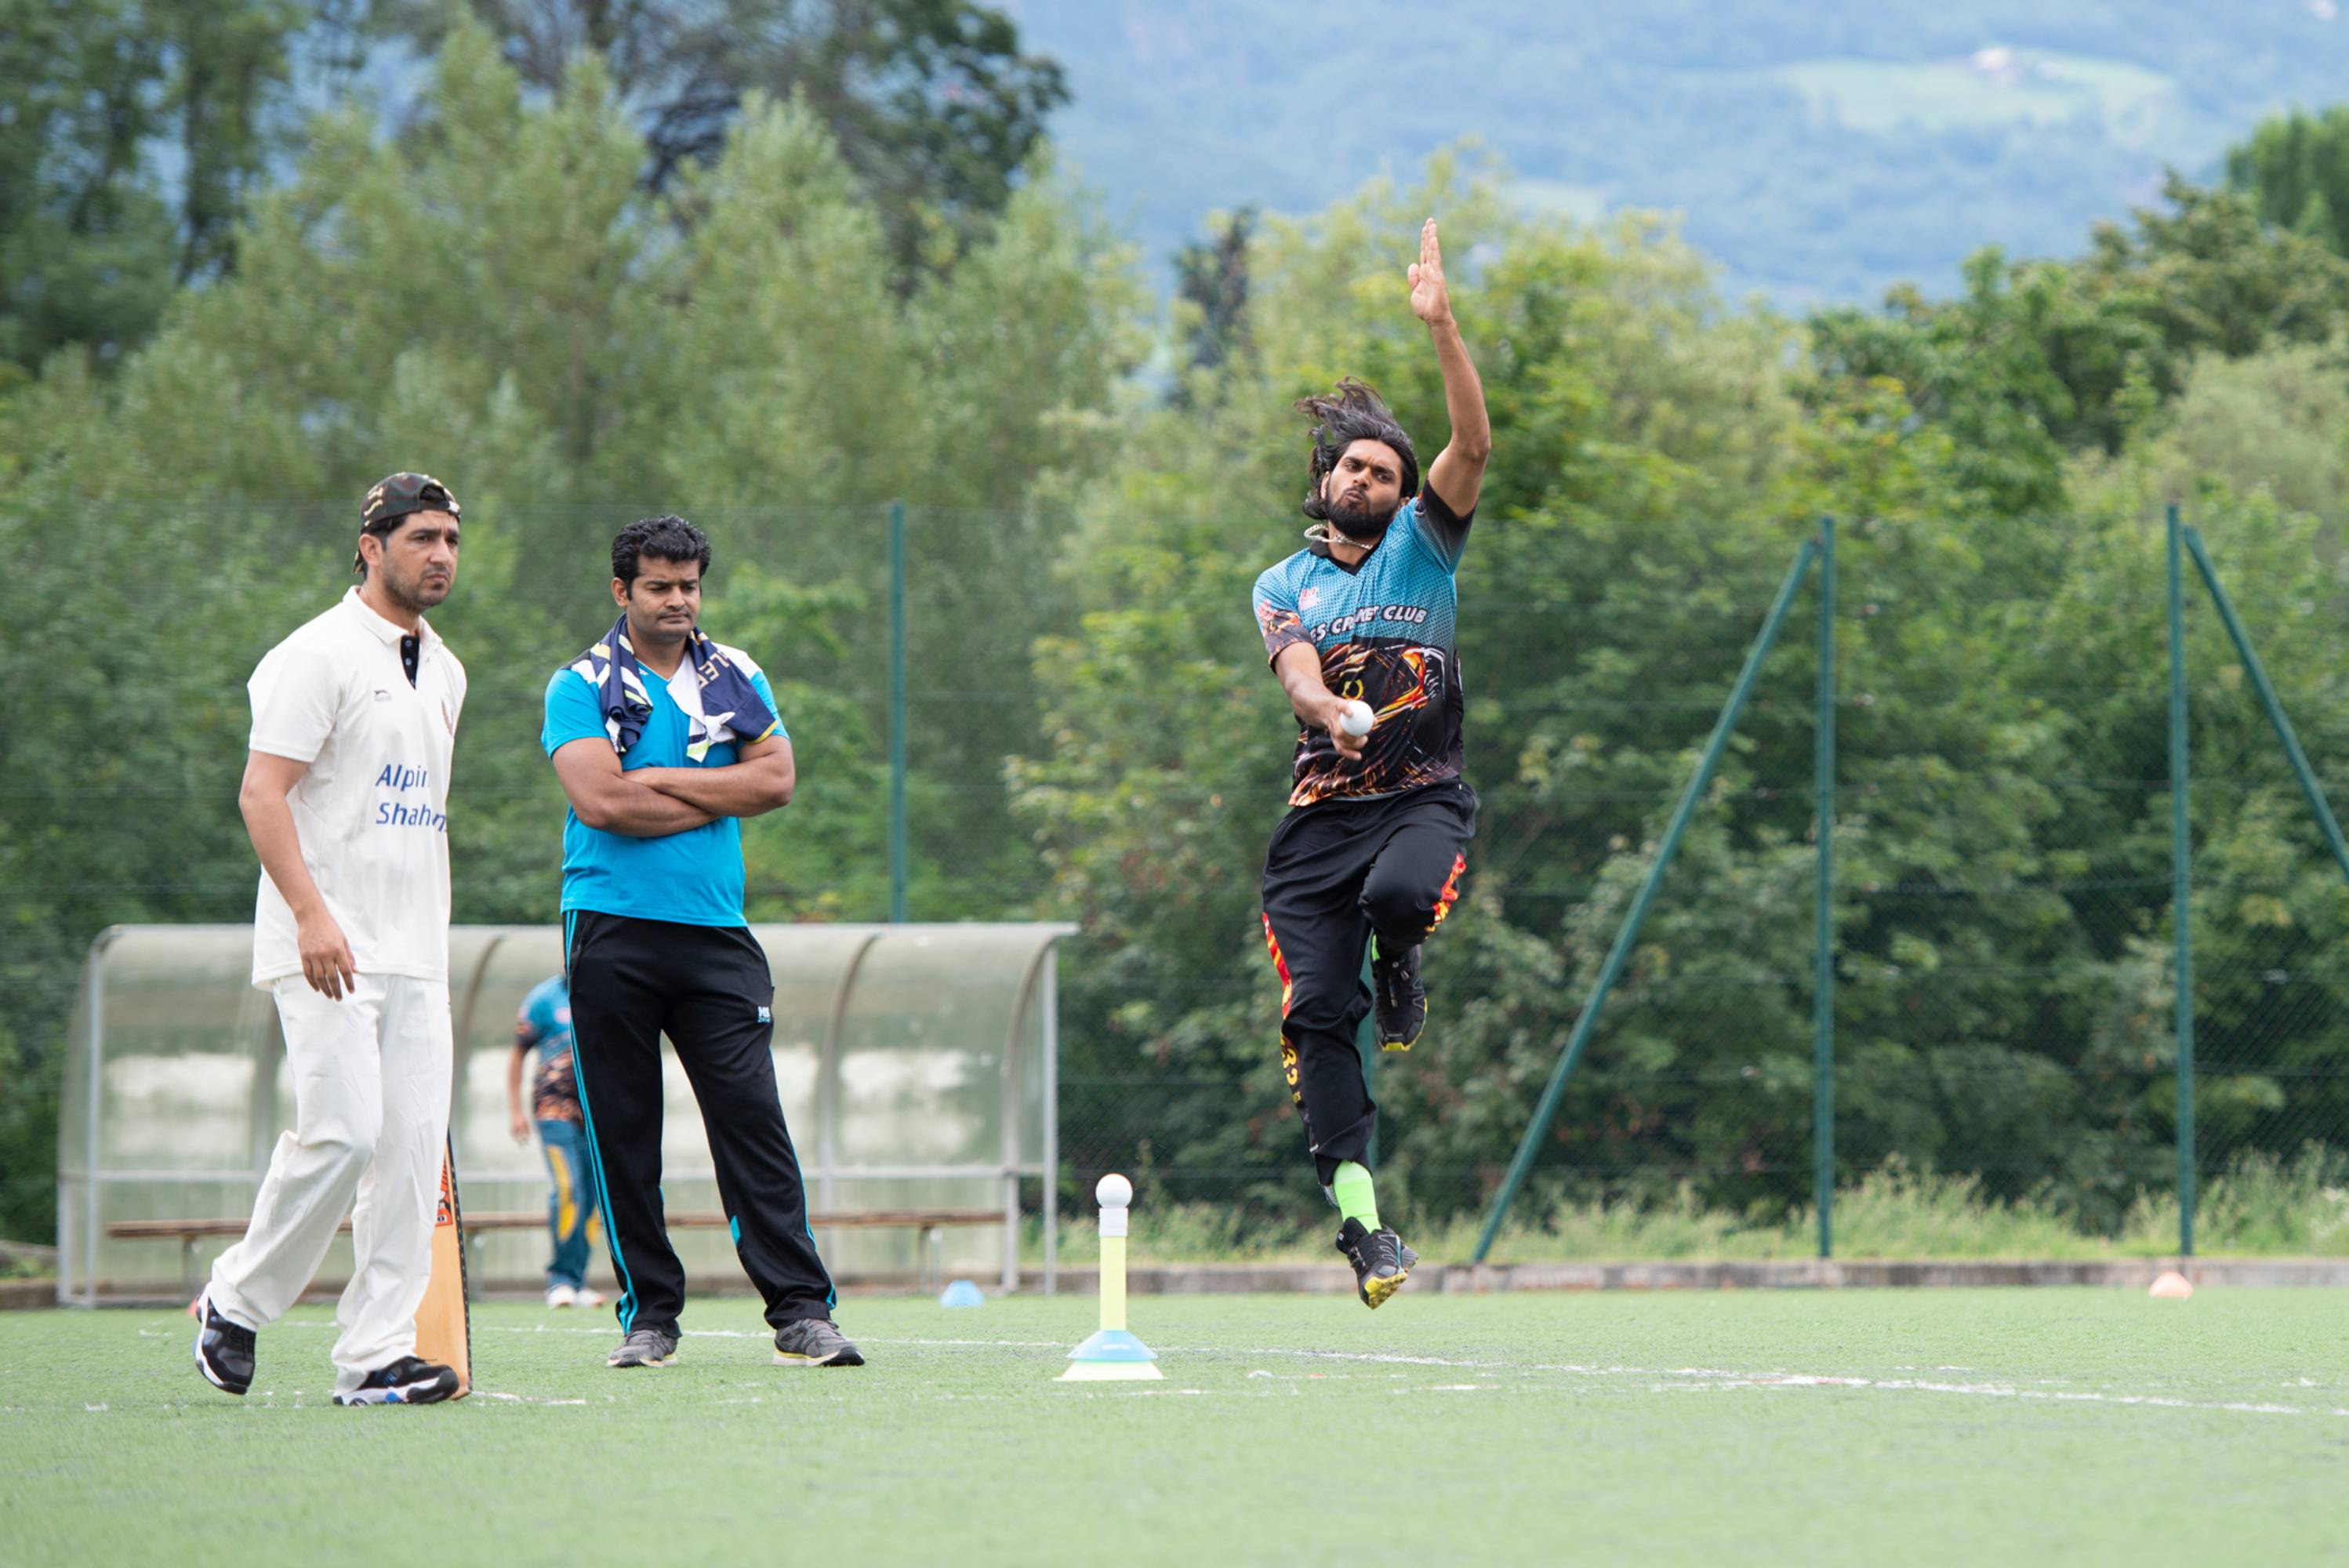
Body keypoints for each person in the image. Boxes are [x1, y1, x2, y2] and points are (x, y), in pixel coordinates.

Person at [541, 515, 862, 1370]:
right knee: (623, 1129)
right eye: (659, 586)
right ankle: (650, 1315)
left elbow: (779, 779)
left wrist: (662, 778)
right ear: (622, 591)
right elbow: (602, 803)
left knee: (752, 1118)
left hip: (717, 934)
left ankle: (801, 1311)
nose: (678, 599)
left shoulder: (735, 673)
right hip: (610, 928)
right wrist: (724, 789)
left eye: (689, 585)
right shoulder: (577, 684)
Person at [1251, 220, 1492, 1309]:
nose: (1367, 478)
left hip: (1419, 802)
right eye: (1353, 463)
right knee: (1313, 1016)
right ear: (1325, 474)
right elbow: (1298, 673)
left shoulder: (1426, 543)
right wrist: (1327, 710)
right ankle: (1364, 1226)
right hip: (1318, 824)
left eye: (1386, 470)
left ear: (1404, 493)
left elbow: (1474, 447)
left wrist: (1442, 328)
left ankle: (1400, 956)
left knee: (1403, 896)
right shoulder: (1280, 583)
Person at [193, 472, 471, 1403]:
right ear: (371, 544)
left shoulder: (447, 668)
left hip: (415, 953)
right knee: (345, 1134)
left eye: (449, 539)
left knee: (408, 1158)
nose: (439, 555)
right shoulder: (316, 653)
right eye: (421, 536)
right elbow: (261, 792)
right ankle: (233, 1300)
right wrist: (313, 913)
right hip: (325, 943)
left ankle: (375, 1354)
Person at [507, 973, 606, 1309]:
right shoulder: (543, 997)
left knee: (593, 1196)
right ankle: (559, 1280)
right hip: (553, 1109)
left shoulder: (605, 987)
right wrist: (516, 1111)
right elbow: (518, 1053)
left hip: (596, 1110)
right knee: (569, 1189)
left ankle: (577, 1281)